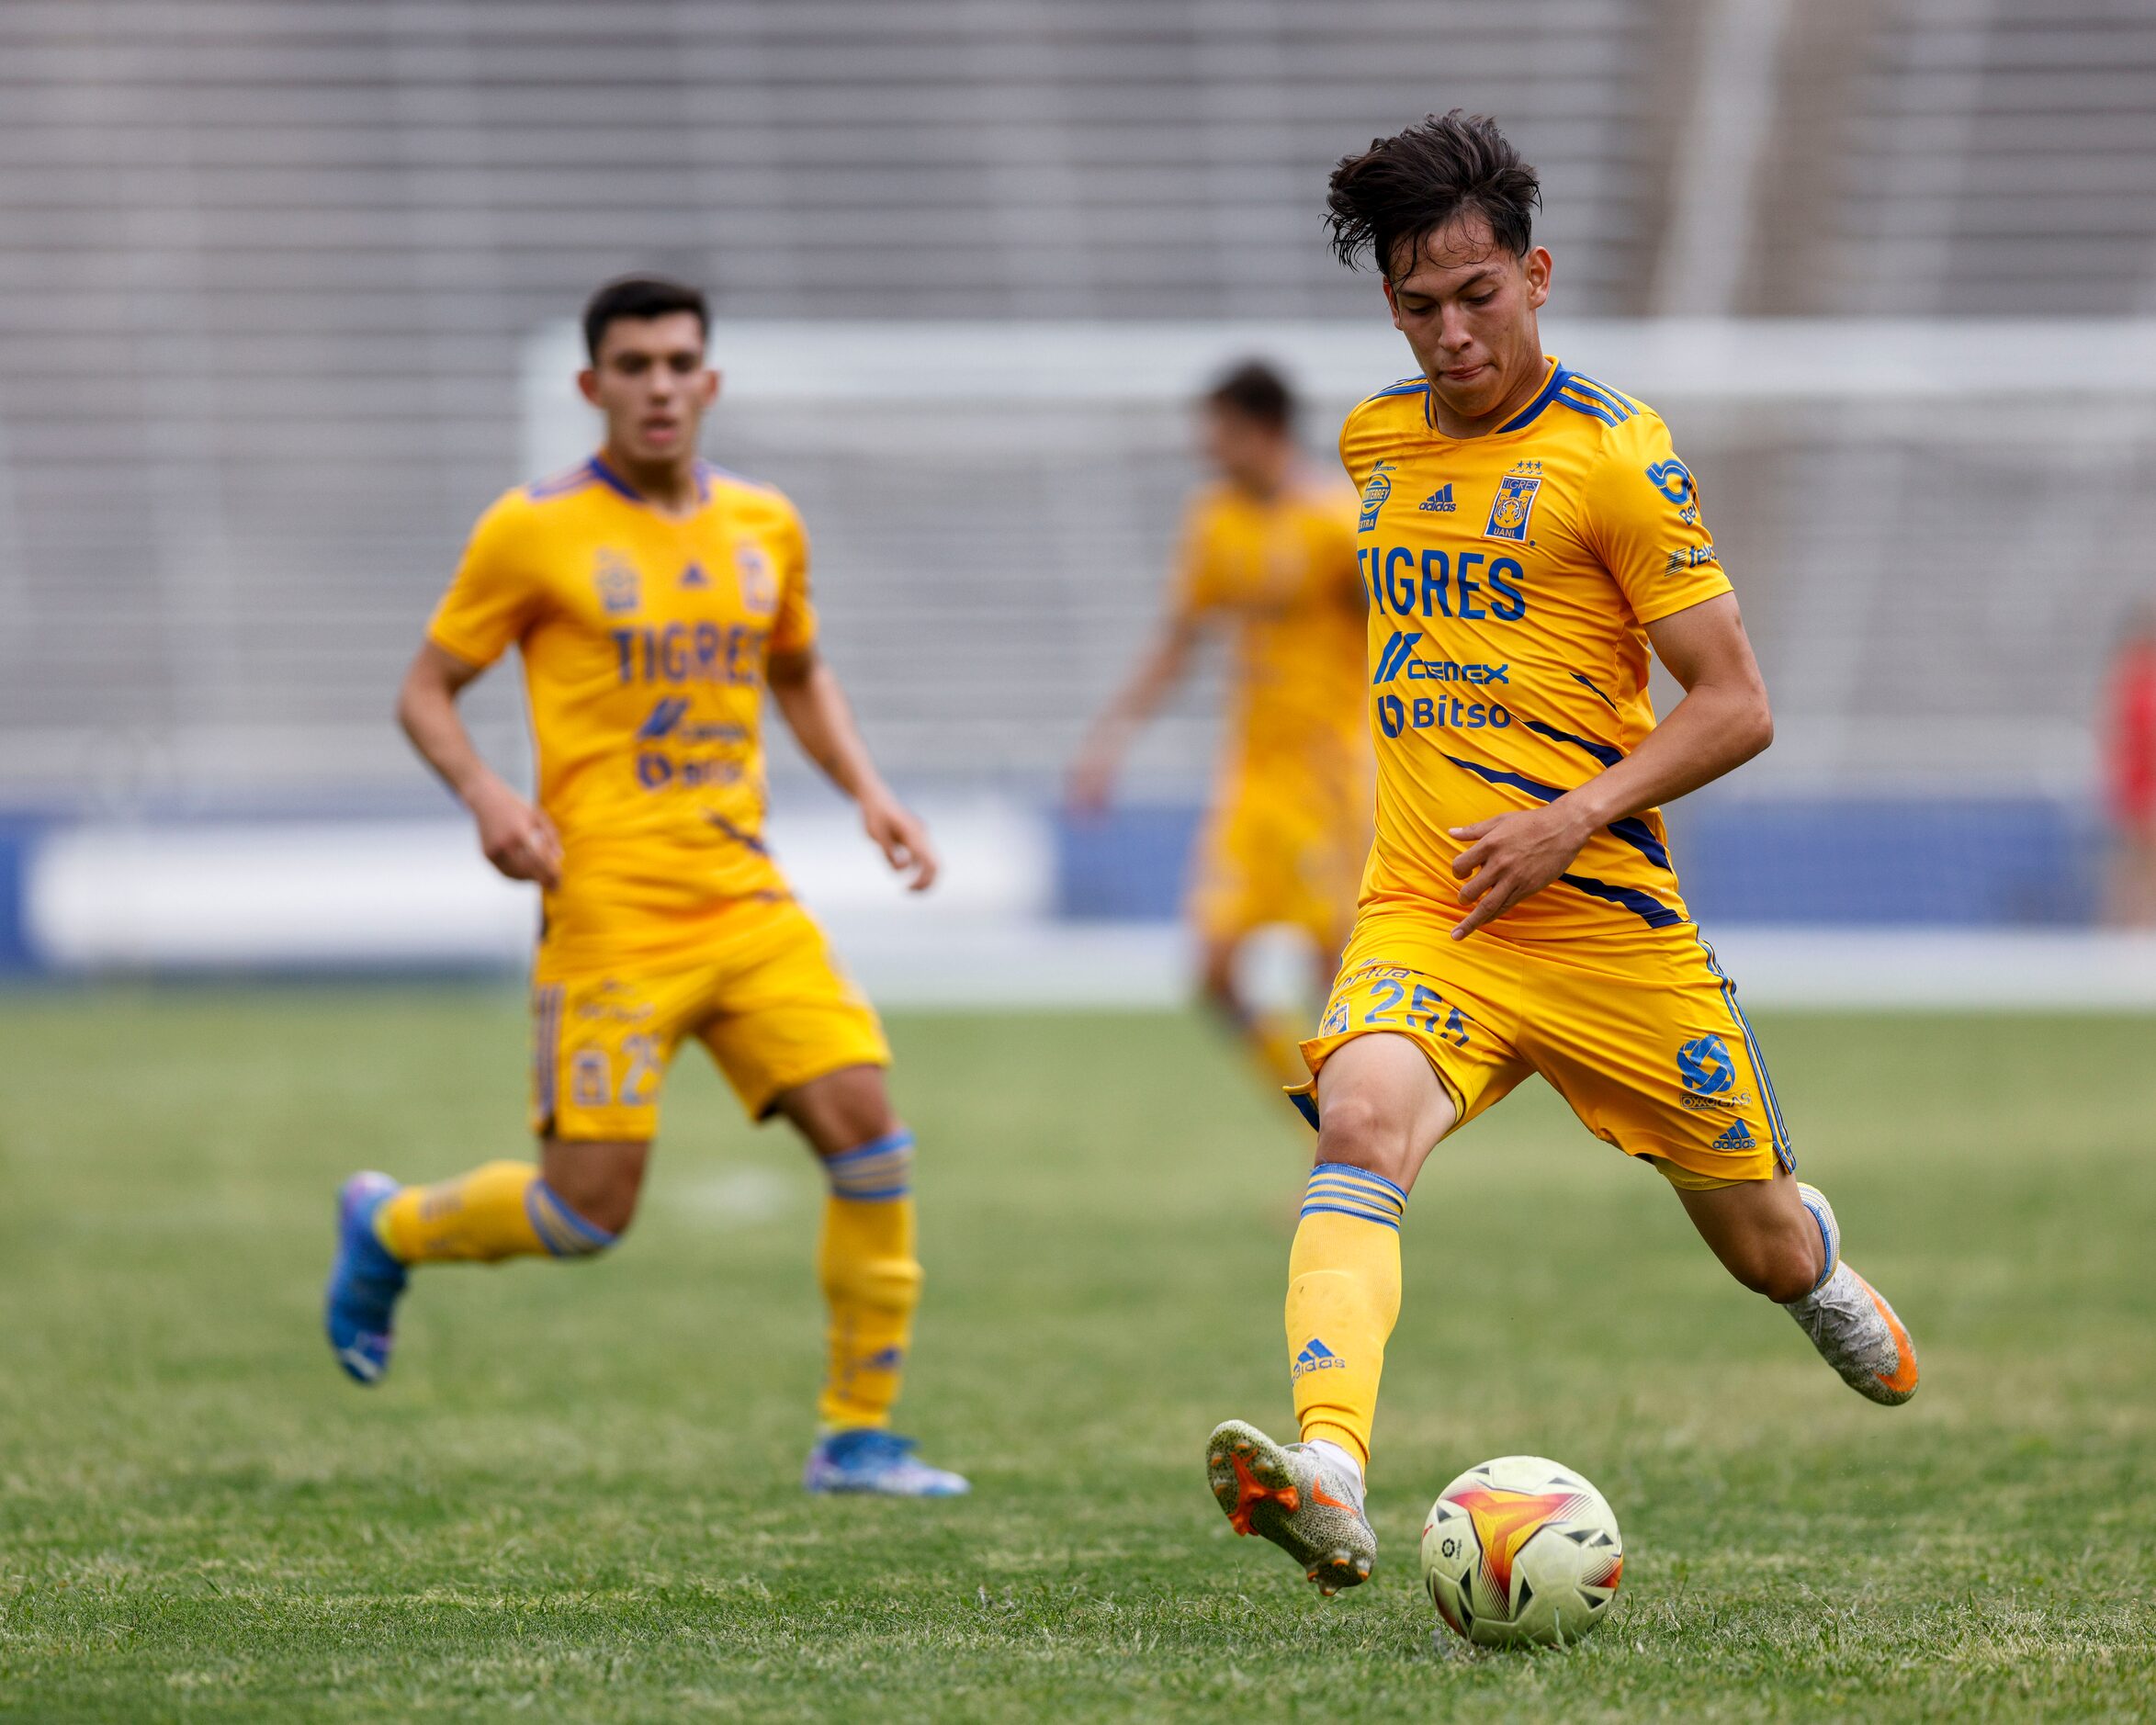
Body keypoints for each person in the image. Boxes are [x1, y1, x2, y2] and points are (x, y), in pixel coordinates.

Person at [1202, 113, 1918, 1595]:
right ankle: (1326, 1466)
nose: (1451, 333)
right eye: (1417, 305)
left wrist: (1570, 812)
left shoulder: (1615, 455)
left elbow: (1736, 704)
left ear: (1534, 274)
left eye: (1478, 295)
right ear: (1386, 307)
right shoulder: (1370, 441)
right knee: (1357, 1127)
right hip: (1431, 905)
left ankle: (1817, 1257)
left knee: (1764, 1252)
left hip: (1600, 922)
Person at [323, 276, 967, 1497]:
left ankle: (857, 1436)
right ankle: (390, 1226)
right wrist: (490, 799)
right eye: (633, 365)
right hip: (607, 912)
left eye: (679, 362)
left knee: (871, 1140)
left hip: (745, 898)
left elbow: (799, 670)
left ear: (709, 380)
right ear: (591, 387)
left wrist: (870, 791)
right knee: (583, 1218)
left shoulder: (766, 524)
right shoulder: (531, 529)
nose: (659, 385)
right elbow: (423, 690)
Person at [1068, 362, 1371, 1090]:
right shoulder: (1213, 519)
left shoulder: (1336, 521)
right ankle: (1316, 1117)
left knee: (1331, 975)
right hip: (1252, 776)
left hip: (1331, 775)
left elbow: (1398, 638)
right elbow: (1179, 639)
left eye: (1220, 431)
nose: (1206, 446)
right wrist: (1108, 740)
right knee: (1210, 971)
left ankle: (1347, 1152)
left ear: (1262, 430)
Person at [2102, 602, 2156, 925]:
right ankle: (2132, 933)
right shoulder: (2140, 682)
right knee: (2139, 870)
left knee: (2134, 870)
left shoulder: (2129, 679)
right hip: (2141, 793)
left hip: (2133, 792)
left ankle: (2129, 931)